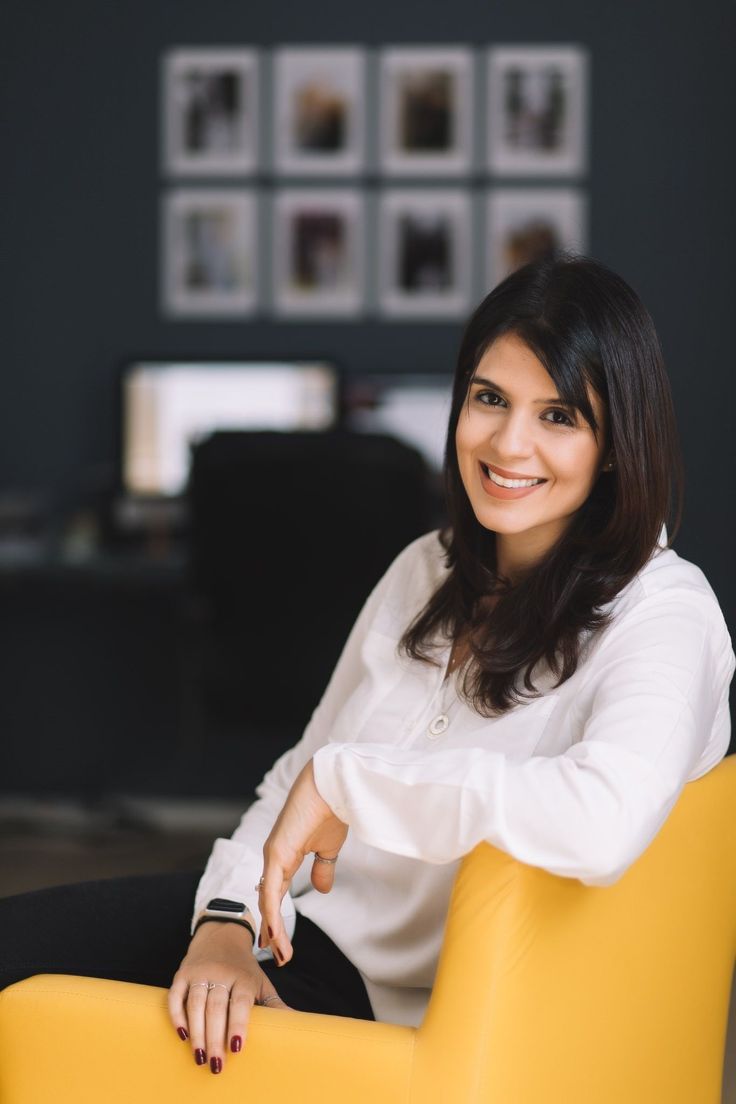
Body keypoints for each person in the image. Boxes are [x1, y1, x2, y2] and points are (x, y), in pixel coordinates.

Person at [1, 253, 733, 1080]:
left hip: (377, 994)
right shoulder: (429, 565)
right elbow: (294, 779)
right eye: (489, 398)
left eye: (558, 415)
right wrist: (228, 920)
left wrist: (353, 784)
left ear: (614, 444)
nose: (507, 442)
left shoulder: (665, 611)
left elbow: (601, 822)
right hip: (282, 927)